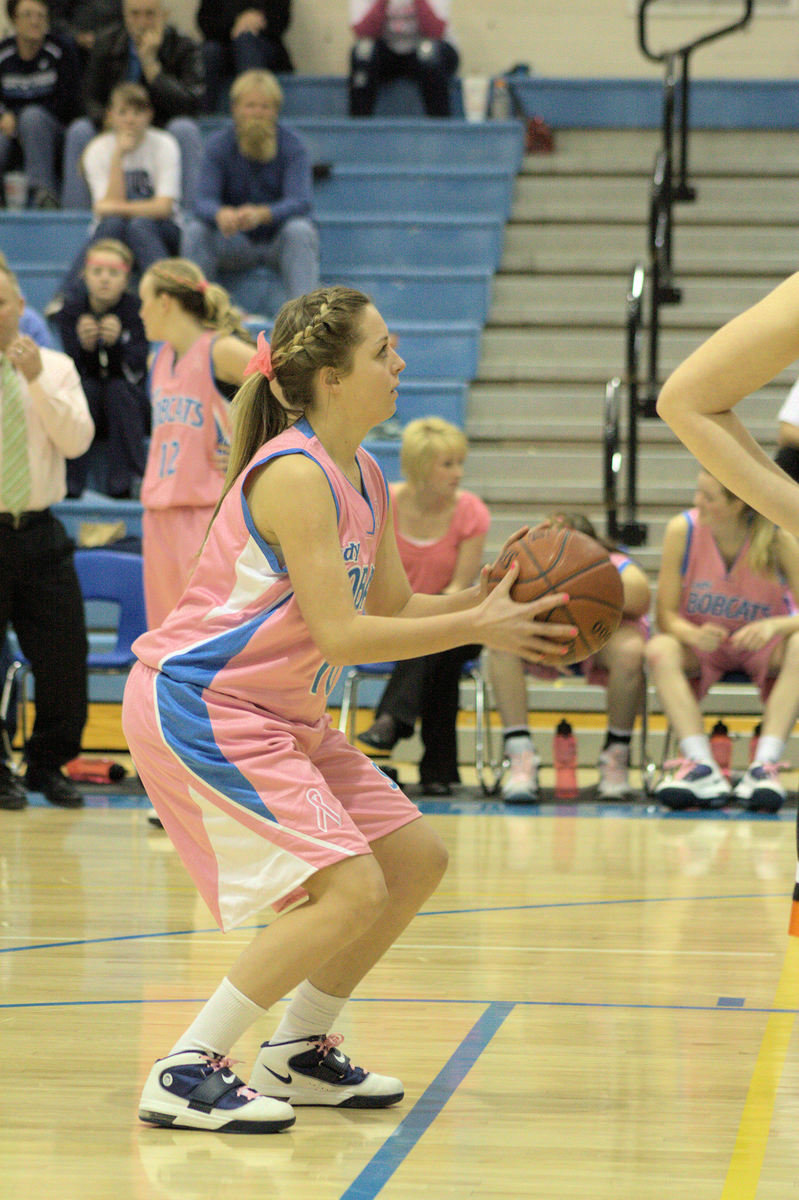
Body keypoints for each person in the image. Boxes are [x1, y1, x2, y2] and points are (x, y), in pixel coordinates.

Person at [121, 284, 576, 1132]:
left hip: (282, 713)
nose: (399, 364)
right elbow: (340, 635)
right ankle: (186, 1067)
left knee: (412, 861)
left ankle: (297, 1051)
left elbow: (396, 607)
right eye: (382, 352)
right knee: (349, 889)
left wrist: (488, 600)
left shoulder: (364, 471)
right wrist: (478, 625)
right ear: (331, 379)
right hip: (207, 706)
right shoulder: (294, 474)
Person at [647, 469, 799, 812]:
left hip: (761, 646)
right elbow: (665, 616)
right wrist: (692, 634)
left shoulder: (777, 536)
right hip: (703, 646)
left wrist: (775, 625)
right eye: (699, 492)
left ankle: (764, 766)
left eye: (708, 497)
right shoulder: (682, 530)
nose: (696, 502)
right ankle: (701, 766)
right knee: (659, 647)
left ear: (738, 504)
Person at [0, 263, 93, 812]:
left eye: (3, 301)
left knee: (63, 656)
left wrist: (35, 380)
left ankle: (47, 765)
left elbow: (78, 441)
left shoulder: (54, 368)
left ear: (21, 306)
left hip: (39, 530)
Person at [356, 416, 489, 795]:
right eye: (448, 464)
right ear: (419, 466)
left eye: (460, 463)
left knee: (437, 637)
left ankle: (391, 721)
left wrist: (423, 622)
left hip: (454, 617)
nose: (458, 473)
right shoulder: (385, 504)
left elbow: (460, 587)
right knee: (437, 654)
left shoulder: (471, 512)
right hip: (391, 618)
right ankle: (439, 768)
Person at [487, 513, 651, 803]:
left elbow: (640, 594)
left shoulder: (606, 560)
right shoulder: (526, 561)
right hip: (537, 640)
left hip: (596, 640)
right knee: (498, 643)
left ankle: (617, 754)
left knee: (631, 650)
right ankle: (520, 753)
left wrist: (583, 586)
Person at [138, 257, 254, 629]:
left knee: (202, 632)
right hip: (158, 515)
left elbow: (289, 389)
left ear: (165, 302)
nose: (139, 312)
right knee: (164, 631)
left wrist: (251, 451)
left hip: (206, 513)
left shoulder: (220, 350)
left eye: (144, 301)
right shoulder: (158, 358)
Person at [182, 68, 318, 313]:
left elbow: (300, 201)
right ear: (235, 109)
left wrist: (263, 214)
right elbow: (202, 200)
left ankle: (303, 321)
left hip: (278, 241)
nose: (257, 113)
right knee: (195, 231)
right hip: (234, 240)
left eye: (265, 107)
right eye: (250, 106)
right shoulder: (218, 145)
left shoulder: (293, 145)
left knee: (301, 230)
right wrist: (221, 214)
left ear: (275, 111)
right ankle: (196, 316)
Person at [61, 0, 203, 211]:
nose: (142, 22)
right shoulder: (107, 41)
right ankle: (74, 220)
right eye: (134, 15)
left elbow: (191, 104)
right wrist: (111, 120)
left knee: (186, 129)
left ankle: (190, 217)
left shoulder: (183, 45)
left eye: (149, 14)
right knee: (79, 131)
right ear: (125, 16)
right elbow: (89, 98)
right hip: (115, 123)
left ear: (163, 15)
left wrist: (151, 65)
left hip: (162, 127)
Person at [59, 82, 181, 298]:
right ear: (110, 115)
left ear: (150, 115)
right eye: (123, 112)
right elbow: (106, 212)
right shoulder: (97, 149)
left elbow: (164, 207)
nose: (130, 120)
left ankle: (171, 296)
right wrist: (118, 156)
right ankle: (67, 299)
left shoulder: (165, 144)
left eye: (137, 112)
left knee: (138, 225)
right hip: (113, 232)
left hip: (162, 231)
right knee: (114, 224)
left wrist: (116, 208)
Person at [55, 238, 148, 498]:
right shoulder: (71, 312)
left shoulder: (137, 311)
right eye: (97, 272)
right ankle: (70, 483)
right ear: (85, 276)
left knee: (119, 390)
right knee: (85, 389)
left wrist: (118, 344)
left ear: (126, 278)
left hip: (128, 406)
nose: (105, 279)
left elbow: (136, 370)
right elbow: (69, 371)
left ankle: (127, 481)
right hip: (90, 401)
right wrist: (83, 348)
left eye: (113, 273)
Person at [0, 0, 83, 208]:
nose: (35, 21)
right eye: (28, 15)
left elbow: (69, 101)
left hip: (54, 129)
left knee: (32, 117)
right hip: (10, 130)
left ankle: (42, 193)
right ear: (14, 20)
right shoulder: (3, 54)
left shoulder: (62, 50)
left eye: (41, 16)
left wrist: (16, 116)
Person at [348, 0, 459, 118]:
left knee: (429, 52)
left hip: (425, 51)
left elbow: (435, 31)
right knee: (363, 51)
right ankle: (359, 127)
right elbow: (363, 32)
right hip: (385, 52)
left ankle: (439, 128)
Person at [197, 0, 293, 114]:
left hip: (262, 45)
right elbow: (206, 22)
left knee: (246, 42)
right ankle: (204, 115)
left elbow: (281, 21)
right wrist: (236, 22)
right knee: (209, 52)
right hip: (222, 43)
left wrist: (256, 20)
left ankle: (253, 111)